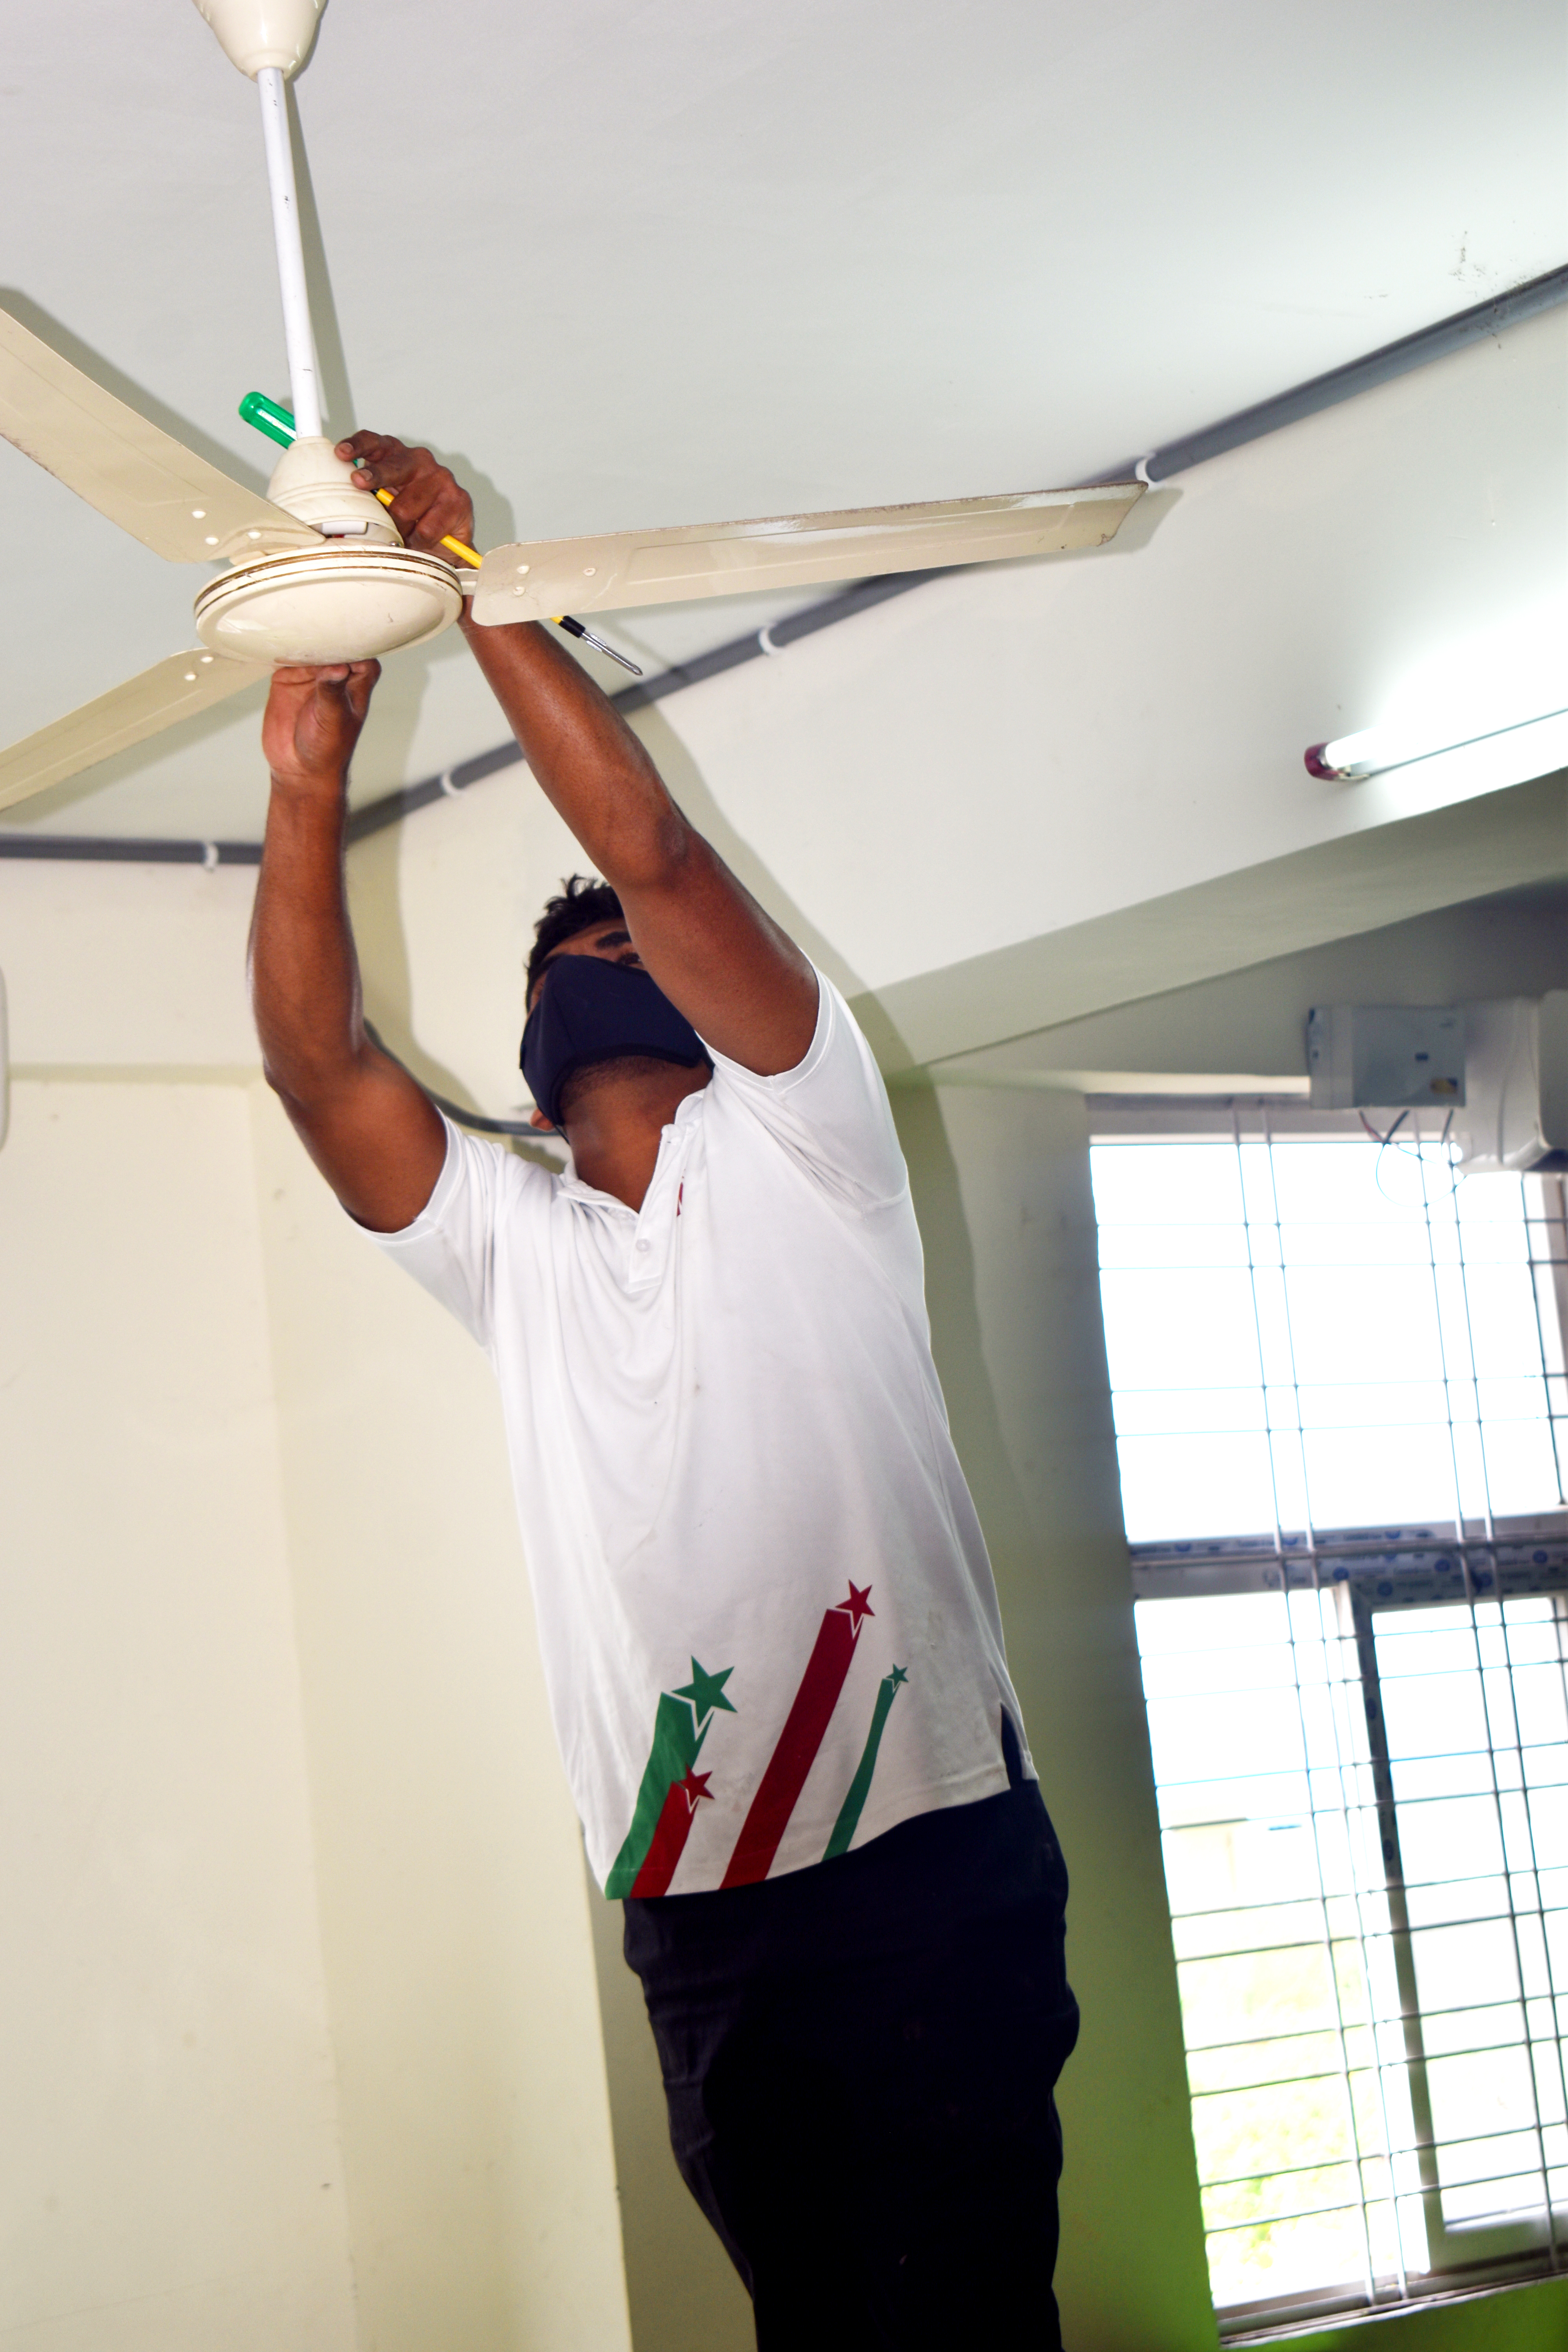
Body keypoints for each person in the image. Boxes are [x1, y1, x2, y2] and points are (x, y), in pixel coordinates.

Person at [250, 431, 1079, 2350]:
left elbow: (656, 850)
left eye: (616, 955)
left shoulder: (806, 1147)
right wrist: (305, 783)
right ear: (533, 1068)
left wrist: (462, 576)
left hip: (922, 1862)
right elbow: (320, 1069)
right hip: (698, 1919)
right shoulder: (518, 1249)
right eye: (556, 967)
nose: (587, 965)